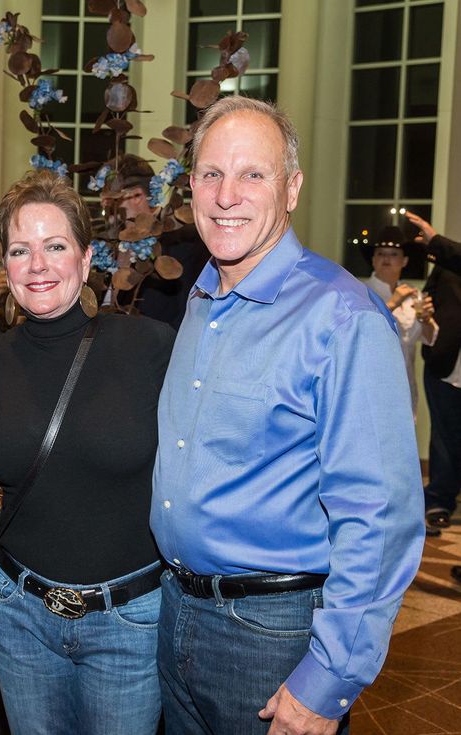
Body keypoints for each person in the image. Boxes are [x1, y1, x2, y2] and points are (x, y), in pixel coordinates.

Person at [151, 96, 425, 735]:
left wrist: (327, 681)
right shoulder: (196, 303)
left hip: (272, 640)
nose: (227, 195)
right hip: (176, 614)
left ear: (292, 188)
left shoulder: (342, 318)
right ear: (190, 186)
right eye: (212, 174)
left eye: (254, 174)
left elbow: (379, 517)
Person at [0, 169, 175, 735]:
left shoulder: (151, 348)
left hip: (128, 621)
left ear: (84, 260)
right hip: (19, 614)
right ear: (4, 268)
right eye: (19, 249)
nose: (37, 265)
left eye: (55, 246)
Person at [98, 154, 210, 328]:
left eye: (109, 198)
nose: (103, 205)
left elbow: (188, 316)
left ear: (136, 196)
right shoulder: (105, 244)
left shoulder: (183, 242)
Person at [403, 211, 461, 536]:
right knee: (443, 437)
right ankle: (438, 502)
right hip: (445, 366)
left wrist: (435, 239)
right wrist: (426, 317)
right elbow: (429, 311)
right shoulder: (445, 271)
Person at [362, 225, 437, 417]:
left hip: (404, 384)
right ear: (373, 259)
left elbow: (429, 338)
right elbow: (362, 332)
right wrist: (393, 303)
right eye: (381, 253)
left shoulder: (413, 294)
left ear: (404, 261)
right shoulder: (360, 291)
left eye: (394, 254)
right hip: (369, 383)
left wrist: (426, 319)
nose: (386, 258)